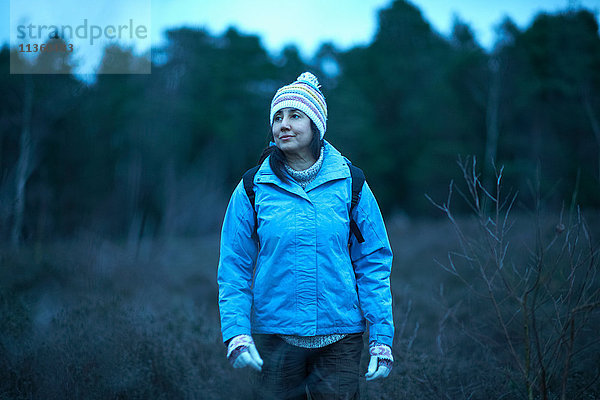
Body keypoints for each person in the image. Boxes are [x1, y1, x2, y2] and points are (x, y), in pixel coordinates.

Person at [217, 71, 394, 399]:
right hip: (274, 339)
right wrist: (237, 333)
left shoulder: (351, 183)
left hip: (340, 338)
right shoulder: (252, 187)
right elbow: (233, 268)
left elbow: (373, 263)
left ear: (316, 126)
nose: (283, 124)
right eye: (277, 117)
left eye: (295, 116)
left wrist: (381, 338)